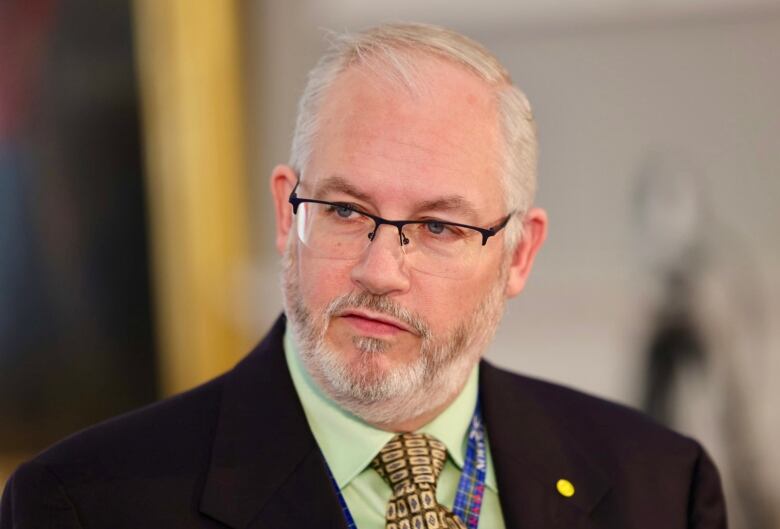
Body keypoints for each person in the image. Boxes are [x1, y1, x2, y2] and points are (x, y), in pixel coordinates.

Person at [1, 22, 726, 529]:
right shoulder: (82, 505)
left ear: (519, 256)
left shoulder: (660, 485)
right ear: (288, 214)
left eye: (440, 227)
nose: (380, 270)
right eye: (345, 210)